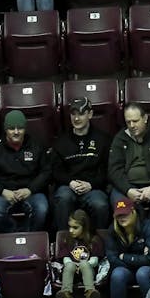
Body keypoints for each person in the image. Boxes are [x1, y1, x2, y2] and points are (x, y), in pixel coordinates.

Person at [0, 110, 51, 233]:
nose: (16, 132)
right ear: (5, 129)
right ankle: (14, 235)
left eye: (20, 128)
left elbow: (46, 172)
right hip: (3, 193)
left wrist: (30, 189)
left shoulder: (36, 145)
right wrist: (2, 191)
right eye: (12, 128)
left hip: (30, 192)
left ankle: (29, 236)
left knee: (42, 209)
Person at [51, 98, 112, 230]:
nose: (76, 118)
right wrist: (70, 182)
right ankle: (64, 241)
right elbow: (56, 171)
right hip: (68, 186)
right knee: (63, 198)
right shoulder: (61, 141)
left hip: (93, 187)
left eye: (81, 114)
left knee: (100, 204)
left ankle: (98, 242)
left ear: (90, 114)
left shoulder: (103, 139)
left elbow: (107, 170)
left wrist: (91, 184)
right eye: (73, 114)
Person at [57, 209, 105, 298]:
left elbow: (95, 260)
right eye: (69, 227)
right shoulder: (67, 239)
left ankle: (90, 292)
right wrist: (74, 265)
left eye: (75, 228)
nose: (71, 230)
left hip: (88, 272)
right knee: (69, 265)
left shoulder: (94, 240)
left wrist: (83, 265)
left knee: (84, 264)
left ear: (84, 227)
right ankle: (65, 293)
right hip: (71, 273)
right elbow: (65, 259)